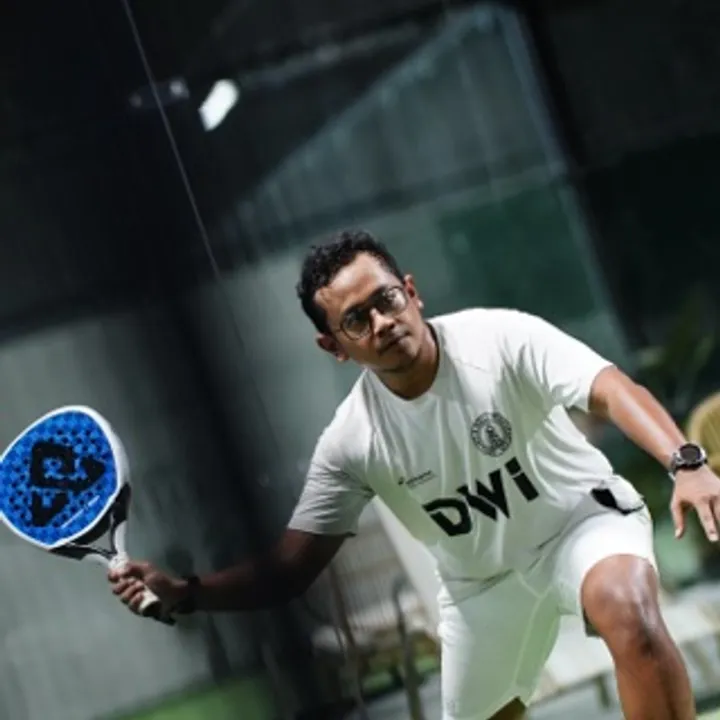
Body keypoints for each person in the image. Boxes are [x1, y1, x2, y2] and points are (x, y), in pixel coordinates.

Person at [110, 229, 720, 719]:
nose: (381, 322)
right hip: (481, 588)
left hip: (580, 525)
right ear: (334, 346)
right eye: (356, 320)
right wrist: (186, 591)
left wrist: (686, 463)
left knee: (627, 611)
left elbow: (611, 389)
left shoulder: (499, 338)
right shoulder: (351, 443)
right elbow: (291, 569)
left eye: (386, 300)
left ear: (411, 292)